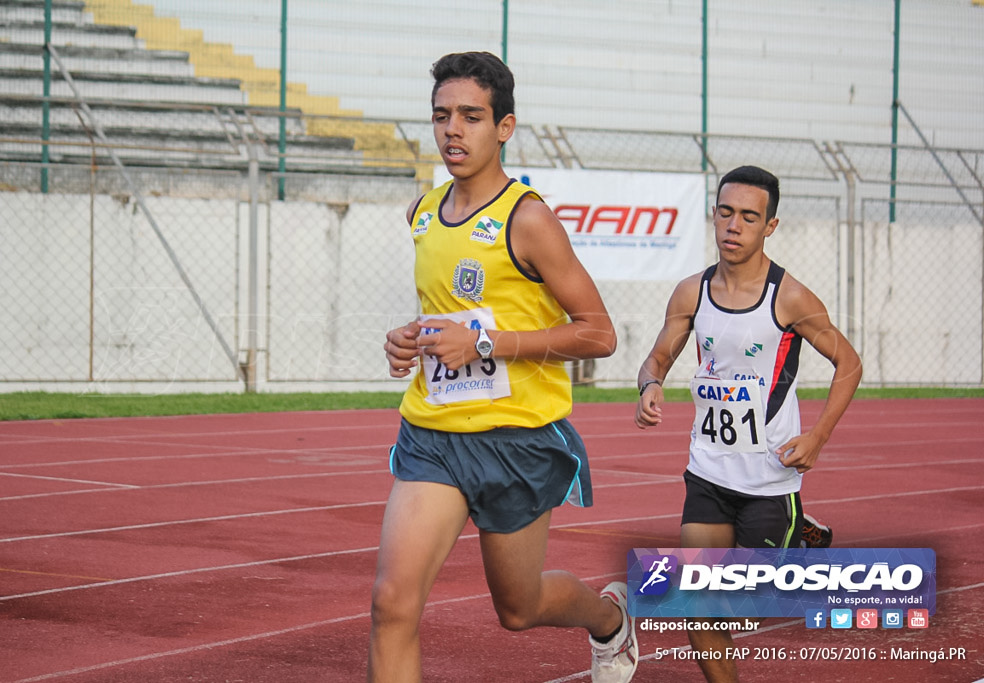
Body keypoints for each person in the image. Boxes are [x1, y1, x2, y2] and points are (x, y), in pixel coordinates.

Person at [368, 52, 638, 683]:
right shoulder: (422, 213)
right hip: (433, 436)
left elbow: (598, 335)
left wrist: (485, 345)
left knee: (518, 609)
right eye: (441, 117)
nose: (452, 131)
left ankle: (608, 621)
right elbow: (448, 317)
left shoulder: (529, 219)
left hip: (514, 440)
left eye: (471, 116)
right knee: (391, 603)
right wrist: (409, 340)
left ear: (505, 127)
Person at [633, 165, 862, 682]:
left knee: (743, 608)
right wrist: (649, 386)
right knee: (695, 603)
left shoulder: (790, 298)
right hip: (709, 472)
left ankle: (798, 534)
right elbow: (656, 360)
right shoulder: (690, 292)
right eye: (726, 213)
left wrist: (818, 436)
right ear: (714, 216)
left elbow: (849, 363)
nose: (734, 226)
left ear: (770, 226)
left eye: (749, 217)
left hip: (769, 480)